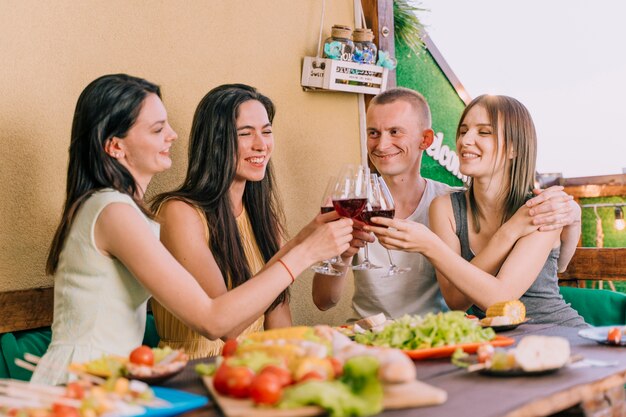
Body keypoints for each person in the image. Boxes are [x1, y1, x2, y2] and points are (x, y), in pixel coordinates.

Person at [31, 74, 353, 385]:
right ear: (116, 147)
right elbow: (214, 321)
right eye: (158, 129)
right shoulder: (115, 212)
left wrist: (306, 237)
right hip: (81, 383)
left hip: (115, 380)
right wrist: (306, 252)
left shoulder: (120, 209)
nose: (172, 135)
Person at [312, 87, 581, 322]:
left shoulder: (531, 208)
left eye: (395, 132)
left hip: (457, 338)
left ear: (425, 140)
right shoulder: (439, 206)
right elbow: (323, 301)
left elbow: (538, 275)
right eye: (373, 132)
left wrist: (573, 218)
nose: (382, 144)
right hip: (383, 335)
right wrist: (342, 254)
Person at [150, 84, 304, 358]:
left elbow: (279, 324)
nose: (262, 144)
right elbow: (227, 328)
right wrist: (306, 249)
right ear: (215, 141)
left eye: (267, 131)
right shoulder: (178, 213)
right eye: (245, 133)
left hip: (252, 373)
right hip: (191, 375)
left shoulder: (264, 218)